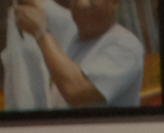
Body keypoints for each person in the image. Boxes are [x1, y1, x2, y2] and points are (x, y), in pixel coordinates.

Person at [10, 0, 145, 110]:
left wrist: (41, 34)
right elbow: (37, 3)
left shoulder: (126, 46)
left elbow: (75, 90)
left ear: (114, 3)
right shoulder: (74, 27)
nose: (82, 3)